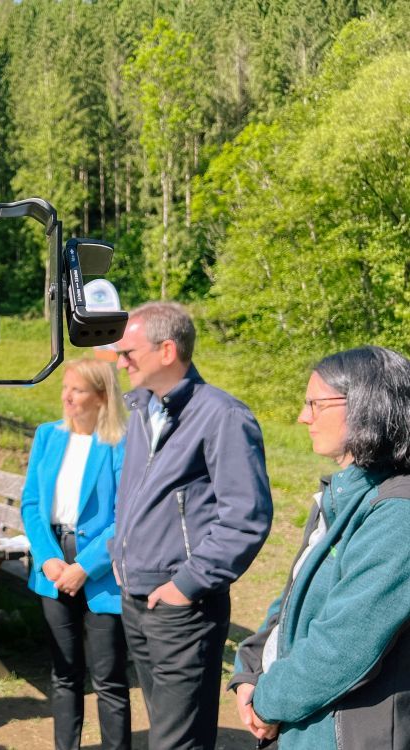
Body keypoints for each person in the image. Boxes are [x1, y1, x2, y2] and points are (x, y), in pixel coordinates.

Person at [108, 302, 272, 750]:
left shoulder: (223, 416)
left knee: (177, 742)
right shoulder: (143, 410)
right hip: (136, 597)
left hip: (183, 607)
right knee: (167, 730)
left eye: (129, 353)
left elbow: (246, 517)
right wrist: (118, 553)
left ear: (167, 351)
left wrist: (187, 584)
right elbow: (140, 496)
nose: (120, 362)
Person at [230, 346, 410, 750]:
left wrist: (268, 701)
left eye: (315, 403)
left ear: (369, 405)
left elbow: (345, 643)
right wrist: (251, 669)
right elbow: (292, 597)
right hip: (301, 722)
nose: (303, 416)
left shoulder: (398, 512)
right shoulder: (344, 494)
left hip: (339, 733)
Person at [21, 358, 131, 750]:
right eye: (65, 388)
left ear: (102, 396)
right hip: (53, 563)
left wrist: (85, 566)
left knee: (109, 679)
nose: (67, 397)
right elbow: (32, 504)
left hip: (99, 567)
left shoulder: (120, 443)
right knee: (64, 673)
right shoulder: (47, 435)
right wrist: (48, 558)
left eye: (78, 390)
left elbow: (127, 516)